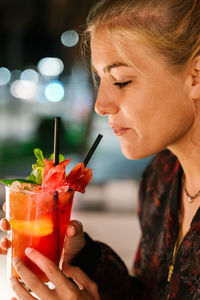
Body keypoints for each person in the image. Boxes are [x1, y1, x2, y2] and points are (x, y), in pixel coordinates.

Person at [1, 0, 200, 299]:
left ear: (196, 75)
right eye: (100, 79)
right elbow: (146, 294)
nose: (100, 104)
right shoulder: (161, 178)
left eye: (120, 81)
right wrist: (83, 256)